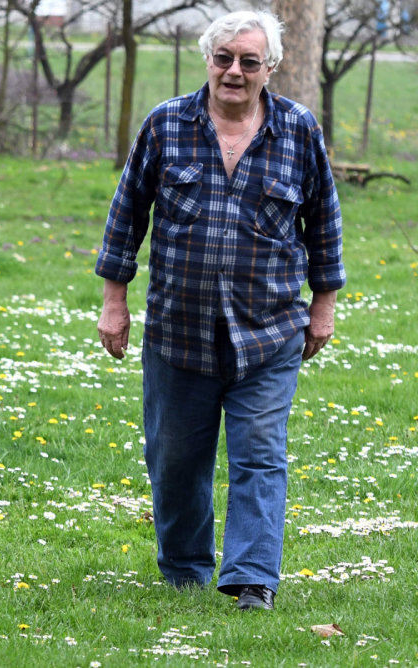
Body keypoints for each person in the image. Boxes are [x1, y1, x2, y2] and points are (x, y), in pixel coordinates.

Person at [95, 10, 345, 611]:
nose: (234, 71)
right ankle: (184, 570)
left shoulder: (297, 130)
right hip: (179, 331)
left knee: (260, 457)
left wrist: (324, 307)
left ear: (270, 69)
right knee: (176, 459)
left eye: (249, 62)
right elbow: (126, 214)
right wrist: (114, 300)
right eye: (224, 58)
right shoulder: (165, 126)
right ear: (208, 59)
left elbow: (325, 222)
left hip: (270, 331)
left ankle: (252, 579)